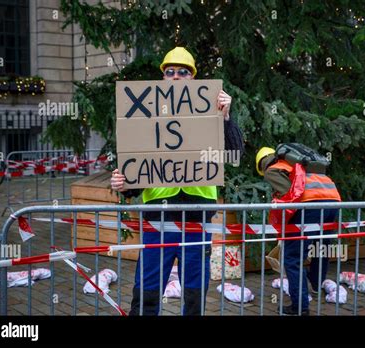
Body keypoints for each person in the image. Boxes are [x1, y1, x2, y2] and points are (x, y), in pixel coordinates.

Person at [111, 47, 244, 315]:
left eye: (183, 72)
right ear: (162, 79)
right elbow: (140, 169)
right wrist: (124, 184)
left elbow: (234, 154)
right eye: (169, 72)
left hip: (195, 220)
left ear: (192, 78)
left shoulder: (212, 114)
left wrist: (226, 117)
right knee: (147, 291)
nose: (175, 76)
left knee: (194, 294)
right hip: (156, 219)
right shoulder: (147, 115)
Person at [256, 146, 341, 315]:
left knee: (293, 258)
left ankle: (300, 307)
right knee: (321, 247)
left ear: (262, 164)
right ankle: (316, 285)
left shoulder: (273, 169)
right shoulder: (299, 163)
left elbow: (290, 193)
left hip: (311, 204)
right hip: (333, 200)